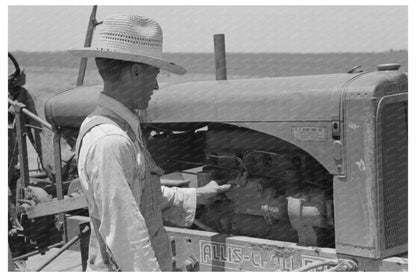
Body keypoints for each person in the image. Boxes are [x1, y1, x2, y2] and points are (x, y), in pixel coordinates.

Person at [69, 15, 232, 271]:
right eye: (154, 74)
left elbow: (138, 194)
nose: (156, 85)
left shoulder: (117, 130)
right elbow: (126, 234)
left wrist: (196, 196)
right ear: (135, 72)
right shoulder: (111, 141)